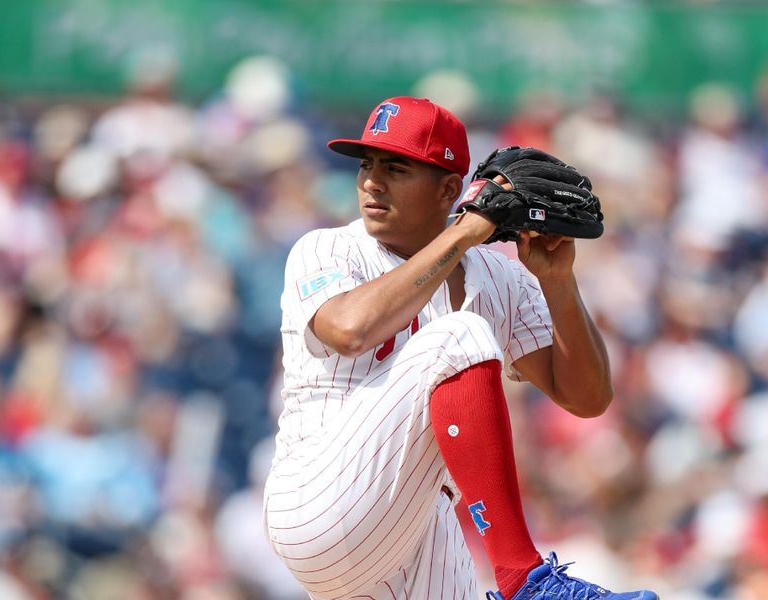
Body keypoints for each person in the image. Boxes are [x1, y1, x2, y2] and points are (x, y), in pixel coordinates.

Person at [262, 96, 658, 600]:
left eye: (395, 167)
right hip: (319, 500)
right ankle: (526, 580)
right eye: (366, 165)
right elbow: (351, 329)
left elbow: (587, 398)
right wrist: (467, 231)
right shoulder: (328, 248)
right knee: (461, 335)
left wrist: (558, 282)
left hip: (413, 520)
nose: (371, 182)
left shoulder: (500, 278)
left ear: (449, 188)